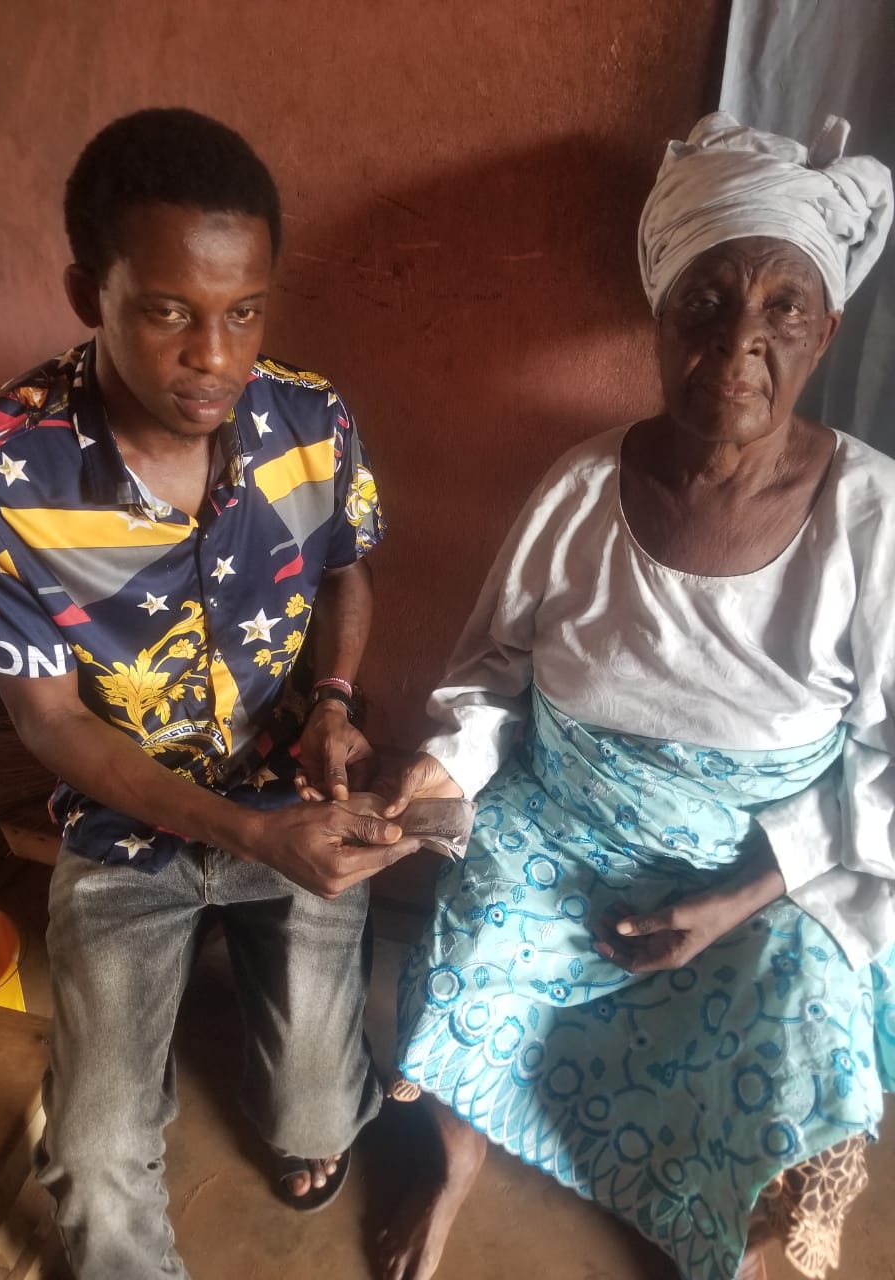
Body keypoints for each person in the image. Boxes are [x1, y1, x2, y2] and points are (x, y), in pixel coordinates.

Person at [376, 113, 895, 1280]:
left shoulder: (874, 519)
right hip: (565, 830)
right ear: (659, 319)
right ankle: (453, 1160)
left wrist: (744, 892)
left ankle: (745, 1239)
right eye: (704, 307)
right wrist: (443, 767)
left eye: (782, 311)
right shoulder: (579, 488)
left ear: (830, 331)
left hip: (764, 870)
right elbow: (493, 669)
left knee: (811, 1034)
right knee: (464, 948)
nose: (736, 349)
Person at [0, 107, 421, 1279]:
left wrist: (337, 704)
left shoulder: (312, 419)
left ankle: (260, 994)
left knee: (315, 1118)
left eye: (244, 310)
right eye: (168, 310)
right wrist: (245, 832)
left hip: (285, 797)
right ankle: (140, 1043)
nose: (216, 356)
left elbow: (347, 571)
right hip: (123, 828)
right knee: (98, 1163)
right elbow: (49, 723)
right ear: (83, 290)